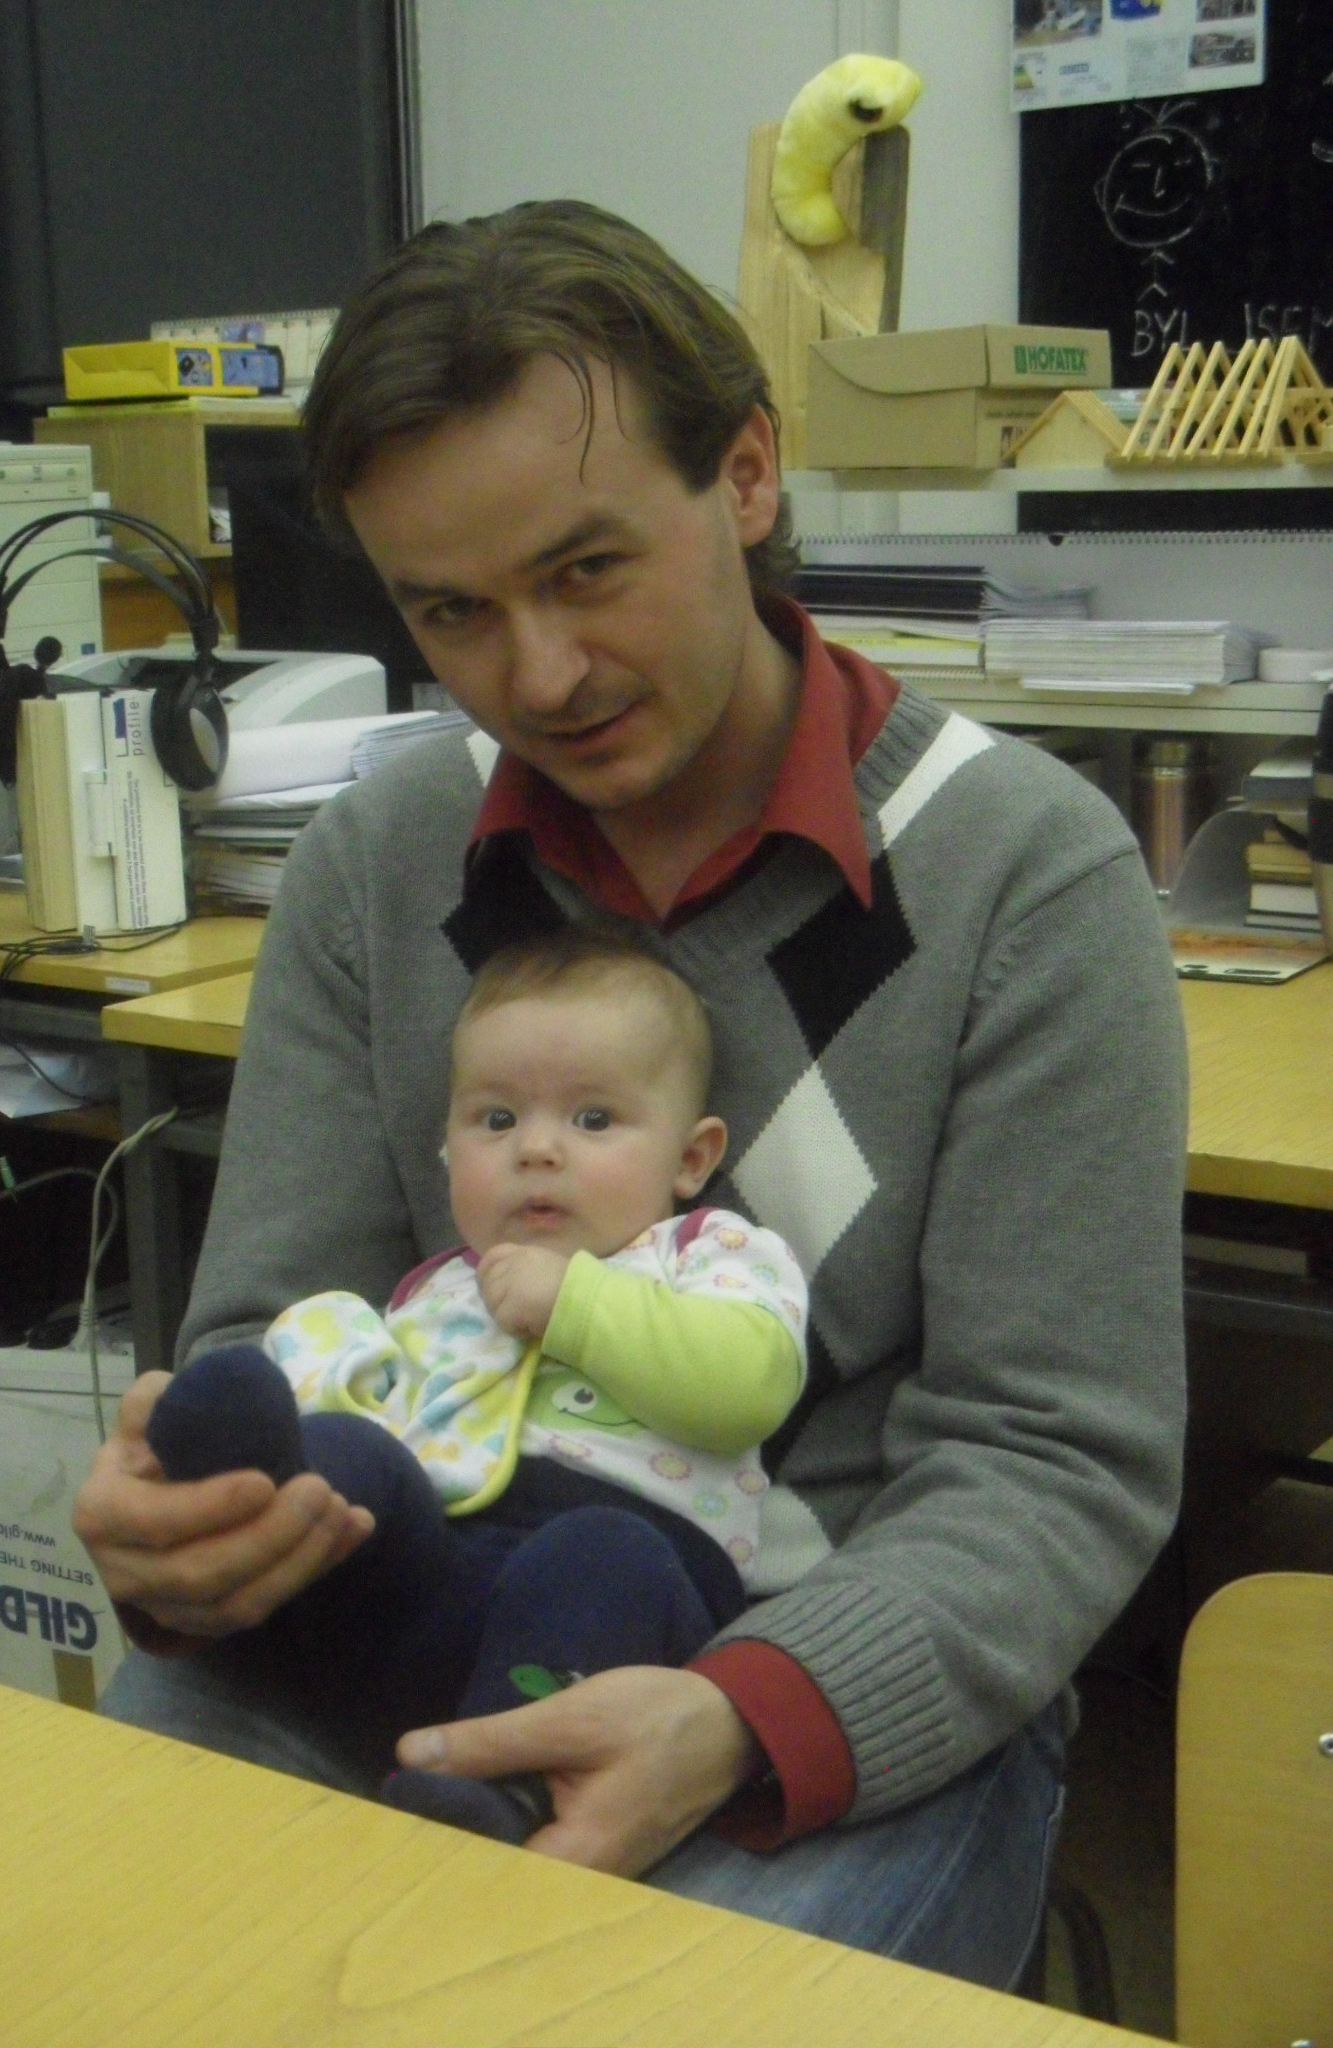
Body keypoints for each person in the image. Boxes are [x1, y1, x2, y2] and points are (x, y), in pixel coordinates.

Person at [75, 198, 1187, 1988]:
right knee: (90, 1949)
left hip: (825, 1673)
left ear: (745, 474)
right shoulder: (380, 862)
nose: (538, 676)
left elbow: (1056, 1459)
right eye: (452, 611)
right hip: (395, 1607)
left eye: (588, 569)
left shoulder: (1022, 876)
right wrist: (191, 1525)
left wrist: (744, 1711)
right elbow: (274, 1328)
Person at [144, 927, 813, 1844]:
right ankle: (242, 1474)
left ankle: (502, 1789)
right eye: (496, 1121)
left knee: (600, 1557)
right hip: (432, 1572)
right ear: (447, 1149)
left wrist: (573, 1304)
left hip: (624, 1572)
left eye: (593, 1120)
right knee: (354, 1451)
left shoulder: (708, 1254)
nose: (536, 1149)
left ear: (690, 1159)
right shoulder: (439, 1286)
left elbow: (747, 1387)